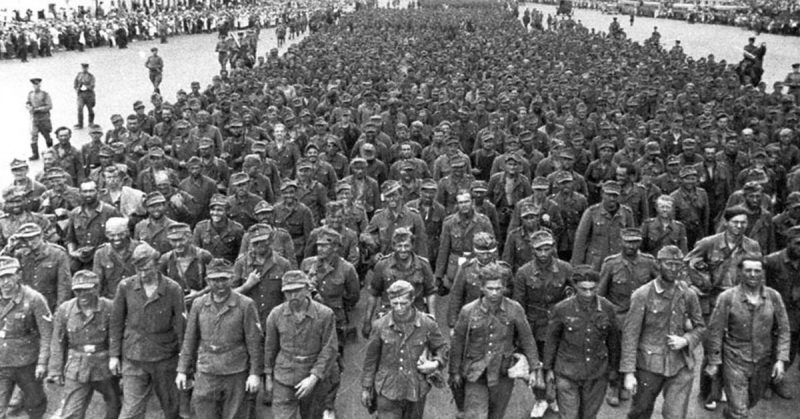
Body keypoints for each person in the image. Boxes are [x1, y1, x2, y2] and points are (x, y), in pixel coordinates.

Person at [621, 245, 705, 419]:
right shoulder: (642, 295)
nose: (673, 269)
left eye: (677, 264)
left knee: (675, 415)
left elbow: (701, 327)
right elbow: (630, 335)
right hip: (648, 365)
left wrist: (687, 340)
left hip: (680, 363)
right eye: (668, 264)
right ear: (658, 265)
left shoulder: (688, 294)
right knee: (640, 412)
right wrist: (629, 373)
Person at [451, 261, 542, 419]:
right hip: (475, 371)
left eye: (498, 288)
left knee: (496, 414)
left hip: (502, 372)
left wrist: (534, 369)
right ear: (481, 287)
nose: (494, 293)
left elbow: (527, 339)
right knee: (476, 415)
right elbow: (457, 344)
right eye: (490, 288)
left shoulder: (515, 309)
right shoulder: (468, 311)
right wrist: (454, 372)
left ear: (504, 288)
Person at [176, 258, 263, 419]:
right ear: (208, 281)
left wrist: (254, 373)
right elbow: (190, 339)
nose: (220, 285)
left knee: (235, 414)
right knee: (203, 412)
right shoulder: (199, 304)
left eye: (224, 279)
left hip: (235, 369)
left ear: (231, 279)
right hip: (207, 369)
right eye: (215, 280)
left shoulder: (245, 304)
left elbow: (254, 342)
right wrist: (182, 370)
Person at [706, 256, 790, 419]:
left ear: (763, 273)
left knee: (751, 400)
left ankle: (731, 412)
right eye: (748, 270)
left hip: (763, 361)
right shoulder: (727, 297)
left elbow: (784, 329)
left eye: (757, 271)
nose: (753, 274)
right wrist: (714, 362)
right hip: (735, 359)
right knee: (740, 410)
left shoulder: (773, 297)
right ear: (740, 272)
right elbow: (714, 331)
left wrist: (780, 359)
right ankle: (736, 412)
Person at [109, 242, 185, 419]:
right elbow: (116, 322)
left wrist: (184, 363)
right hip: (134, 356)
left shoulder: (173, 289)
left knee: (171, 408)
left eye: (148, 269)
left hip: (165, 357)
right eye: (139, 270)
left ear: (157, 264)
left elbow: (181, 327)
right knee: (131, 411)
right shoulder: (125, 286)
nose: (143, 274)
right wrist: (114, 355)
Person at [361, 279, 448, 419]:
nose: (399, 308)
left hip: (416, 388)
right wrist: (366, 388)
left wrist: (435, 363)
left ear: (412, 299)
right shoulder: (380, 325)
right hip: (388, 388)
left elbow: (442, 348)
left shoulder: (427, 324)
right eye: (395, 303)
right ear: (389, 301)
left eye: (404, 303)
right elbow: (371, 360)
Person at [543, 265, 620, 419]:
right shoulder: (562, 309)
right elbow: (551, 340)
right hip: (567, 371)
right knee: (569, 415)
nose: (588, 293)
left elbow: (614, 342)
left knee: (589, 415)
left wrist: (614, 370)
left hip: (596, 372)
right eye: (583, 289)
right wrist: (548, 369)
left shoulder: (607, 308)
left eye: (592, 289)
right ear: (575, 287)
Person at [513, 230, 572, 417]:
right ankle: (540, 398)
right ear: (533, 250)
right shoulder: (523, 273)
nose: (544, 253)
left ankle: (553, 397)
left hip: (558, 325)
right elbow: (519, 305)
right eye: (540, 250)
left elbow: (573, 296)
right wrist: (520, 332)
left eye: (547, 249)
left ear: (553, 248)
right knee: (535, 365)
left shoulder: (565, 269)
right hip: (534, 326)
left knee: (556, 364)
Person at [263, 270, 338, 419]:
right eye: (288, 292)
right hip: (284, 375)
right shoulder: (276, 314)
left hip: (313, 375)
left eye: (297, 290)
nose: (293, 296)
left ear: (307, 288)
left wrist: (314, 377)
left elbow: (329, 349)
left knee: (312, 415)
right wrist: (268, 377)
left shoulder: (324, 314)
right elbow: (270, 347)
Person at [596, 228, 658, 407]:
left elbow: (659, 284)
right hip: (618, 316)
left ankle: (626, 382)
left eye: (635, 242)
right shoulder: (611, 264)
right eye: (628, 241)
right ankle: (614, 384)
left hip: (642, 315)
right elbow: (601, 293)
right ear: (620, 242)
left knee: (638, 350)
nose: (631, 246)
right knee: (616, 351)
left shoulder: (648, 262)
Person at [48, 270, 122, 419]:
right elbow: (58, 341)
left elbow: (117, 336)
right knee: (72, 411)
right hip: (77, 366)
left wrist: (119, 362)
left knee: (114, 404)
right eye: (78, 291)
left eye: (87, 290)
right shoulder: (65, 310)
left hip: (104, 366)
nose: (82, 295)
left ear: (96, 288)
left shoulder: (110, 307)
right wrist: (55, 370)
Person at [0, 256, 52, 419]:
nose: (5, 282)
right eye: (1, 278)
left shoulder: (34, 299)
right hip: (2, 361)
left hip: (28, 363)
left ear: (19, 275)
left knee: (35, 405)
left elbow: (46, 334)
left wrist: (42, 363)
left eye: (9, 276)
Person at [572, 181, 635, 271]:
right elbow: (580, 240)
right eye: (608, 195)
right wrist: (577, 266)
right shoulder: (591, 212)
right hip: (596, 263)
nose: (612, 198)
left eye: (615, 196)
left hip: (619, 262)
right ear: (602, 194)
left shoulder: (626, 213)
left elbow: (631, 240)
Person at [25, 78, 53, 160]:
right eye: (34, 85)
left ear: (40, 85)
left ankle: (51, 152)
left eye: (37, 84)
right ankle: (35, 154)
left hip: (44, 118)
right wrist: (29, 107)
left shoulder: (45, 94)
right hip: (34, 119)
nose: (36, 86)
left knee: (46, 135)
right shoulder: (30, 94)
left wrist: (38, 109)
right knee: (33, 136)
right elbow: (27, 102)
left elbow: (49, 106)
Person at [74, 63, 96, 129]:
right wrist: (77, 89)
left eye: (85, 68)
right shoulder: (78, 75)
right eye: (83, 68)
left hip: (89, 94)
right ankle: (80, 124)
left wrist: (86, 87)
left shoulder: (91, 76)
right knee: (79, 108)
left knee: (90, 109)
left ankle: (91, 122)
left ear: (87, 68)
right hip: (80, 94)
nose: (84, 69)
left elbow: (92, 85)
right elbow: (75, 83)